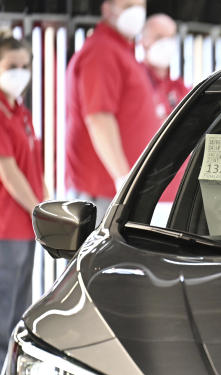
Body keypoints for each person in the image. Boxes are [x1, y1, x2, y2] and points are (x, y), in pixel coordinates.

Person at [66, 0, 162, 222]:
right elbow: (98, 118)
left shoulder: (122, 50)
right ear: (107, 9)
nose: (136, 12)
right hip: (103, 195)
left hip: (115, 194)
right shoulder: (102, 51)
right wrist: (123, 179)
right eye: (128, 5)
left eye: (140, 5)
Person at [0, 35, 46, 363]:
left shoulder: (20, 112)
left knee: (19, 312)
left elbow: (32, 168)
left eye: (25, 66)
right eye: (11, 67)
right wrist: (39, 210)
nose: (20, 73)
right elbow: (9, 172)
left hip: (25, 227)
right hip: (6, 228)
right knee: (3, 316)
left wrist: (45, 207)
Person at [141, 13, 188, 118]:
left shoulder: (179, 88)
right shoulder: (134, 82)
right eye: (159, 37)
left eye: (170, 37)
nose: (166, 44)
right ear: (143, 42)